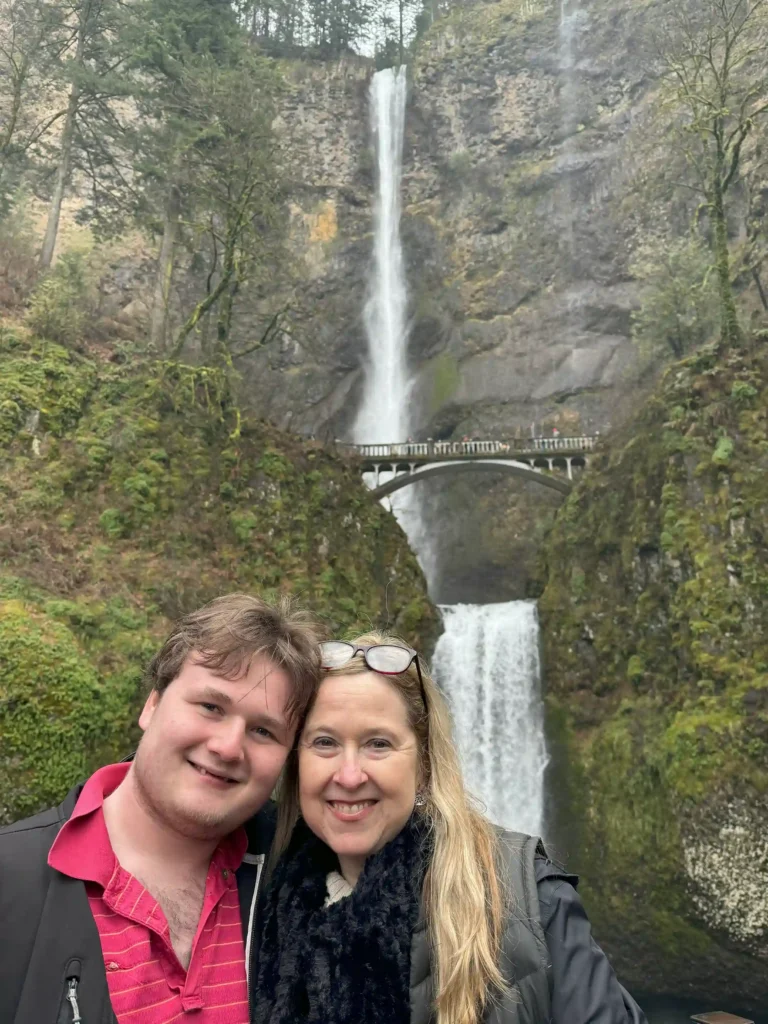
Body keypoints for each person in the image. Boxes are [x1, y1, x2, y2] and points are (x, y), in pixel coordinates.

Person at [253, 632, 647, 1024]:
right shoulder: (258, 898)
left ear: (424, 766)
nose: (350, 775)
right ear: (296, 762)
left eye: (379, 744)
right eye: (325, 742)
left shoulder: (531, 901)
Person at [0, 592, 322, 1024]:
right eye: (210, 706)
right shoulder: (10, 880)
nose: (228, 747)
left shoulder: (302, 879)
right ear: (152, 704)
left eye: (263, 731)